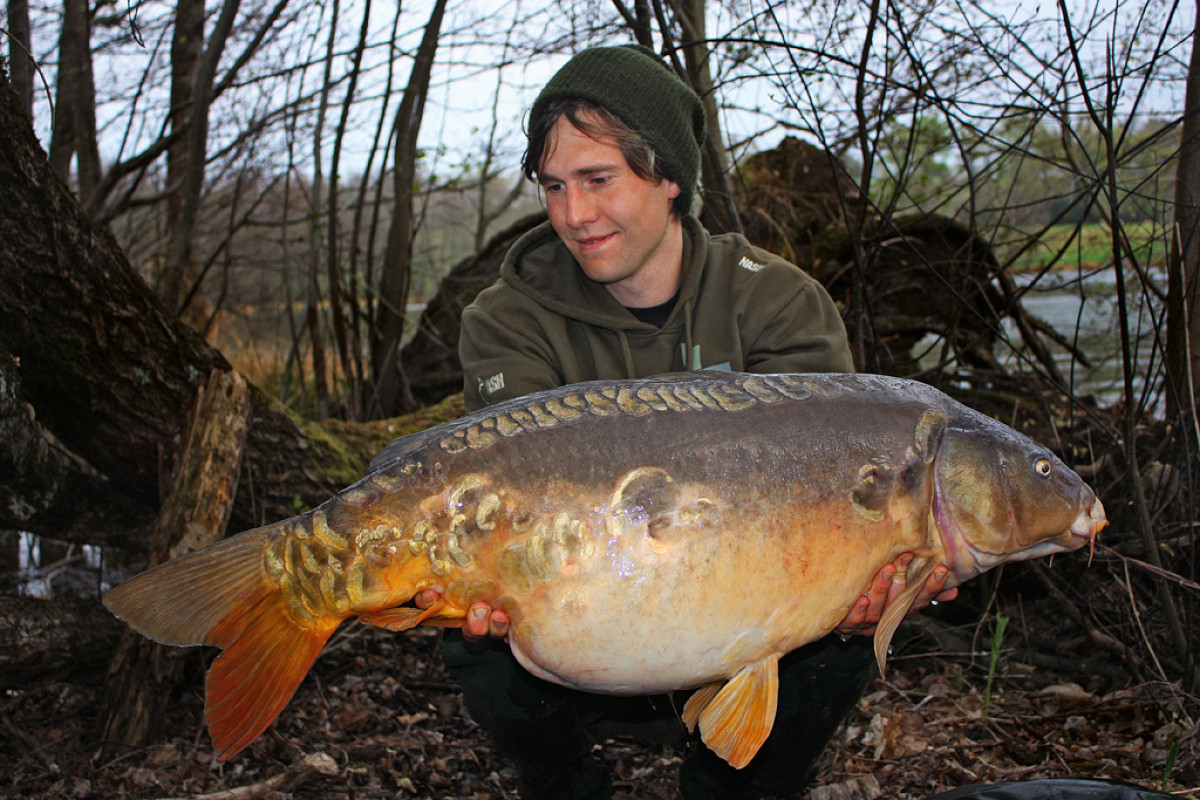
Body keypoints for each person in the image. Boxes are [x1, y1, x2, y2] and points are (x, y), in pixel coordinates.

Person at [419, 44, 956, 799]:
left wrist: (872, 583)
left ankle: (728, 784)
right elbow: (505, 493)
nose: (575, 215)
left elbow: (844, 492)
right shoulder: (505, 319)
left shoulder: (778, 303)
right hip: (585, 625)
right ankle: (566, 779)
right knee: (472, 636)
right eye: (554, 187)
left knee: (843, 629)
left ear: (669, 177)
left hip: (754, 624)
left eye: (599, 180)